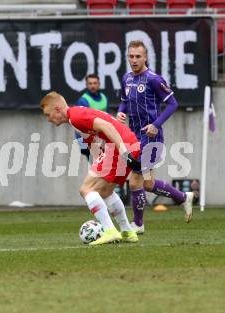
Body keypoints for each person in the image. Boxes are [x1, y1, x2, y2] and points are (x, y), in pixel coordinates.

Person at [40, 91, 140, 245]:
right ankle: (127, 230)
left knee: (86, 189)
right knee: (105, 192)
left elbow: (107, 126)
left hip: (121, 146)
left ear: (58, 109)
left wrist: (124, 153)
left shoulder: (76, 116)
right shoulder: (75, 118)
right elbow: (93, 142)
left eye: (48, 114)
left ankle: (110, 231)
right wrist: (100, 158)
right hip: (128, 143)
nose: (48, 119)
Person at [117, 40, 194, 234]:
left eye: (138, 56)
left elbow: (173, 104)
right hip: (133, 136)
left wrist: (155, 125)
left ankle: (138, 224)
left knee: (135, 181)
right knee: (148, 184)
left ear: (145, 57)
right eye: (131, 56)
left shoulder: (154, 79)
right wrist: (120, 113)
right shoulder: (126, 78)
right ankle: (183, 197)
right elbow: (124, 101)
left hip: (151, 137)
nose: (134, 60)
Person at [75, 73, 109, 160]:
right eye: (90, 84)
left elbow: (108, 119)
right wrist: (83, 145)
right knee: (96, 169)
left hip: (102, 140)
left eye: (95, 83)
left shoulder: (104, 98)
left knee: (103, 169)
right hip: (88, 141)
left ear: (99, 84)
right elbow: (79, 126)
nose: (92, 86)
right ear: (86, 85)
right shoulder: (83, 101)